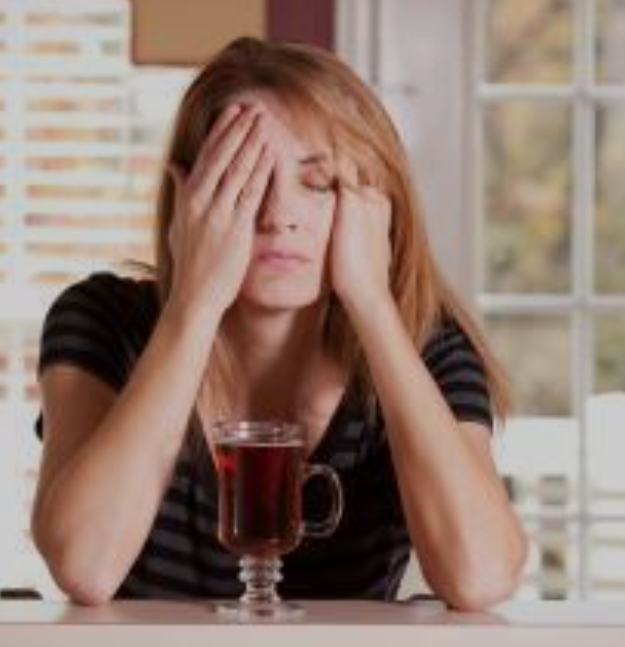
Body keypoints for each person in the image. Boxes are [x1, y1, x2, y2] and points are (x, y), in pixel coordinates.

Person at [31, 37, 527, 609]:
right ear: (187, 200)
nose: (278, 216)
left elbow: (480, 576)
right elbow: (85, 566)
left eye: (319, 184)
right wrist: (193, 302)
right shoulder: (102, 318)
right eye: (244, 182)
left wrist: (372, 301)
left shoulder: (424, 346)